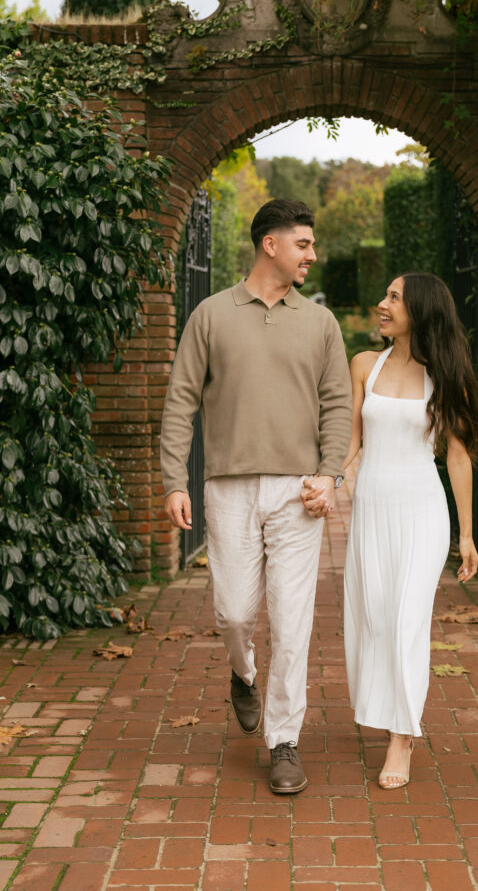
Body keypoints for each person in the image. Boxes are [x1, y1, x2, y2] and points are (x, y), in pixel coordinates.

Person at [160, 199, 352, 795]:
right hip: (229, 487)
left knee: (292, 624)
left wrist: (330, 474)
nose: (312, 255)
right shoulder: (212, 315)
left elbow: (338, 405)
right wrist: (173, 479)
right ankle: (243, 674)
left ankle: (285, 740)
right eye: (303, 244)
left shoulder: (321, 324)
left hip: (298, 493)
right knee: (236, 611)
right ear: (271, 244)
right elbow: (180, 400)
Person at [342, 272, 478, 789]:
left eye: (393, 299)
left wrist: (465, 535)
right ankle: (385, 705)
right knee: (375, 617)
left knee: (406, 620)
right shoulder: (363, 365)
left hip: (423, 512)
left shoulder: (448, 376)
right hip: (371, 509)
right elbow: (351, 443)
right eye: (385, 295)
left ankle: (402, 736)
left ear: (419, 312)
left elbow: (460, 458)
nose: (382, 304)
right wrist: (327, 479)